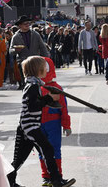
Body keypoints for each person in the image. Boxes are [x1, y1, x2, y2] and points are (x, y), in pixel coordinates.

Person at [7, 56, 75, 187]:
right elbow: (33, 107)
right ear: (38, 70)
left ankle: (9, 181)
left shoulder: (34, 84)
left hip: (27, 126)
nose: (46, 69)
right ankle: (56, 180)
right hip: (30, 126)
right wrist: (49, 98)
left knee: (20, 158)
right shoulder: (32, 86)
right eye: (44, 67)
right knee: (48, 150)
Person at [39, 57, 72, 186]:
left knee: (54, 150)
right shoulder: (36, 88)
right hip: (40, 124)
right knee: (43, 150)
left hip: (53, 123)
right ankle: (46, 176)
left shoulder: (56, 88)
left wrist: (66, 125)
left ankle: (56, 176)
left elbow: (64, 109)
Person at [9, 16, 50, 89]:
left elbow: (42, 47)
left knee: (37, 81)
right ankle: (27, 97)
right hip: (23, 62)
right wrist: (16, 50)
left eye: (28, 23)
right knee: (26, 83)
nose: (27, 25)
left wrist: (47, 58)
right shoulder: (15, 36)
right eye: (25, 23)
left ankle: (37, 96)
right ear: (20, 25)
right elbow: (10, 51)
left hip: (35, 62)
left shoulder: (35, 34)